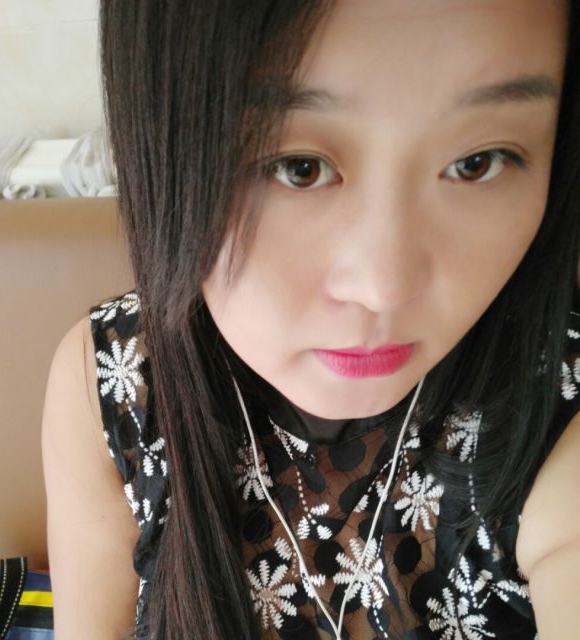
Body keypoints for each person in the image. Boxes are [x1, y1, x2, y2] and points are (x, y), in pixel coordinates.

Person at [41, 1, 580, 638]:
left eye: (478, 161)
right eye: (298, 167)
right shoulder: (117, 380)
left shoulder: (556, 400)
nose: (383, 288)